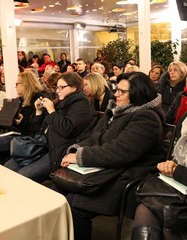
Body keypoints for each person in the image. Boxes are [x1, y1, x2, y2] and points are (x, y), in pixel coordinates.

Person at [58, 72, 165, 240]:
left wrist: (81, 157)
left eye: (122, 91)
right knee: (57, 193)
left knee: (74, 205)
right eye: (116, 89)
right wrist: (75, 151)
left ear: (137, 93)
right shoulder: (117, 110)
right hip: (107, 170)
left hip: (128, 178)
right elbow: (95, 138)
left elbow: (119, 152)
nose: (116, 94)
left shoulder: (147, 118)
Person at [4, 72, 97, 182]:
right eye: (57, 87)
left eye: (62, 87)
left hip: (58, 151)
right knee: (8, 167)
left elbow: (67, 129)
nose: (57, 91)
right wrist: (38, 112)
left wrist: (51, 111)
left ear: (73, 88)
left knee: (22, 176)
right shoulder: (60, 102)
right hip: (44, 145)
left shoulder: (81, 104)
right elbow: (37, 130)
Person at [0, 71, 49, 164]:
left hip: (26, 139)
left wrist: (19, 122)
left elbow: (35, 129)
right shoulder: (20, 100)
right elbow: (9, 125)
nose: (15, 86)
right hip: (15, 134)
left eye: (17, 84)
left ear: (26, 84)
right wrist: (6, 115)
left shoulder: (38, 101)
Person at [131, 117, 187, 240]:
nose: (116, 95)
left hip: (181, 198)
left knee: (169, 223)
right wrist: (168, 166)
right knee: (146, 208)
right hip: (177, 190)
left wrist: (176, 170)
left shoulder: (147, 118)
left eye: (122, 94)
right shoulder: (185, 119)